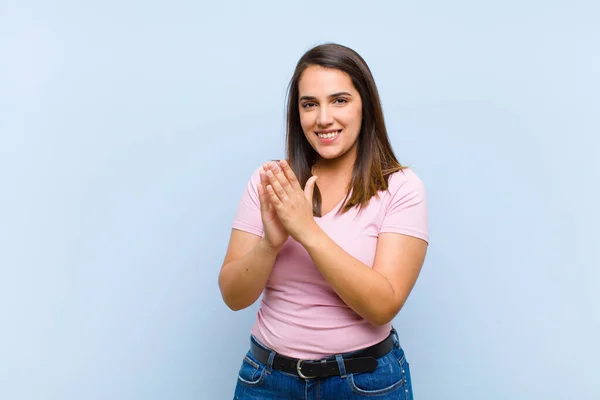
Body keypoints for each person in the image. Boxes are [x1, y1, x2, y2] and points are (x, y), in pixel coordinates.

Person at [218, 43, 429, 399]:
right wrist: (270, 244)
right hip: (267, 381)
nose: (323, 118)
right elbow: (234, 296)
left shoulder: (401, 188)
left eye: (340, 100)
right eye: (309, 104)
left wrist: (307, 231)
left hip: (363, 384)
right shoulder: (271, 181)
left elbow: (382, 307)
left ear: (366, 106)